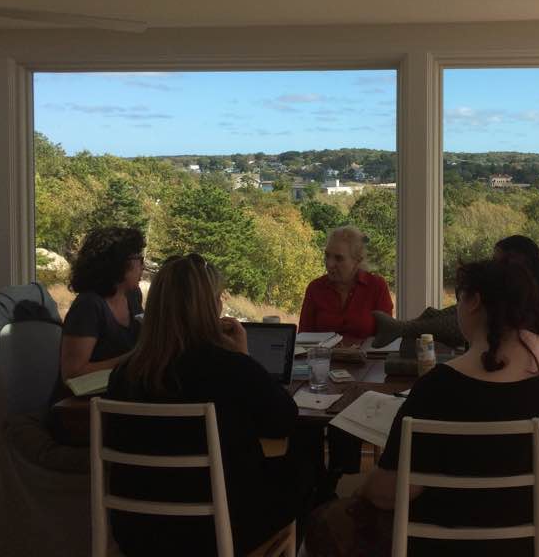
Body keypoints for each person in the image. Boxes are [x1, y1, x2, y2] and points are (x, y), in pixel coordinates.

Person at [309, 260, 539, 557]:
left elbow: (389, 493)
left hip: (451, 545)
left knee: (326, 522)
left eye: (459, 299)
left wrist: (361, 488)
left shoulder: (440, 388)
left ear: (474, 302)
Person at [105, 254, 312, 556]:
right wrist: (244, 357)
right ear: (210, 307)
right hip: (216, 531)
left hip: (136, 530)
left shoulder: (124, 374)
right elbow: (283, 420)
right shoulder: (232, 368)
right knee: (301, 466)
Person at [60, 227, 146, 381]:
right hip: (92, 395)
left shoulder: (133, 295)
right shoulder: (88, 306)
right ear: (119, 263)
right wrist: (134, 358)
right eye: (139, 259)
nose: (143, 266)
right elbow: (72, 373)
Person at [299, 225, 393, 340]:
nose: (330, 264)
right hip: (321, 353)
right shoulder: (315, 288)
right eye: (327, 255)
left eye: (339, 258)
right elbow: (303, 339)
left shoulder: (377, 286)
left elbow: (387, 337)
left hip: (366, 352)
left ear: (357, 261)